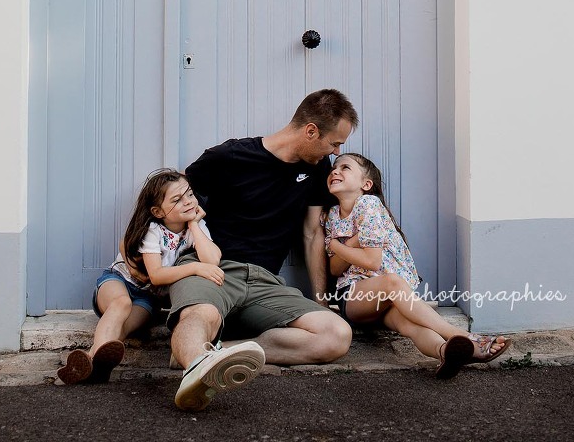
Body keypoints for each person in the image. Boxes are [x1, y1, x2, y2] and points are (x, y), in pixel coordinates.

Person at [168, 89, 359, 411]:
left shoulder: (317, 168)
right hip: (212, 267)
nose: (337, 151)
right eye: (334, 143)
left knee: (335, 335)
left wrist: (321, 299)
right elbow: (173, 201)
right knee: (202, 314)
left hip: (264, 281)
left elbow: (312, 234)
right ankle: (195, 367)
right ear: (311, 130)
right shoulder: (229, 156)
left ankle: (211, 352)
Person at [325, 153, 511, 378]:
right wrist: (347, 243)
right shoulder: (332, 216)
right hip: (355, 297)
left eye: (345, 167)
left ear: (366, 184)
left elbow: (371, 262)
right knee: (393, 282)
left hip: (387, 299)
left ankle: (445, 352)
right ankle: (460, 335)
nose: (335, 171)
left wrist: (339, 245)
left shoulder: (368, 204)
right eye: (334, 168)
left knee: (410, 325)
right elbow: (336, 269)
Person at [58, 167, 223, 385]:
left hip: (148, 298)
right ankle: (92, 358)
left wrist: (193, 223)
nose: (189, 202)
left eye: (190, 195)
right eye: (177, 199)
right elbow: (156, 276)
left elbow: (212, 260)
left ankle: (93, 363)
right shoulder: (153, 229)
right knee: (121, 304)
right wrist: (195, 268)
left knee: (124, 328)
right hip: (118, 281)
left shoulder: (196, 228)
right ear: (158, 211)